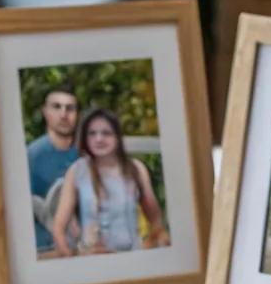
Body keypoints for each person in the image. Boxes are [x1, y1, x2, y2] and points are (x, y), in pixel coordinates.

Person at [52, 107, 167, 256]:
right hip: (93, 260)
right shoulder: (77, 171)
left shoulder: (135, 169)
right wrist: (71, 259)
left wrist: (147, 249)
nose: (99, 139)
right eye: (92, 134)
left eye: (106, 133)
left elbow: (156, 220)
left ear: (117, 137)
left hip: (132, 259)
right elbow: (59, 227)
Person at [26, 83, 80, 254]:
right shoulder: (32, 156)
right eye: (57, 107)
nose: (64, 114)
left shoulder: (87, 152)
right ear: (45, 111)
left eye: (70, 108)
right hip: (45, 249)